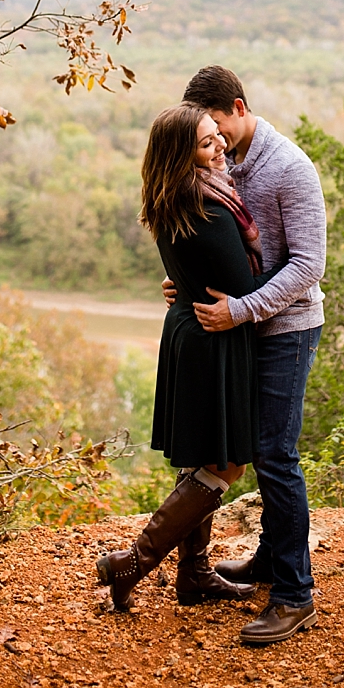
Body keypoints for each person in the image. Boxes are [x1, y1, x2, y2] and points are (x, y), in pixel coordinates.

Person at [165, 65, 326, 645]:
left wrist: (242, 308)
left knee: (275, 455)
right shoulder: (220, 162)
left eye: (217, 129)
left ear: (237, 106)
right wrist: (186, 285)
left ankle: (294, 595)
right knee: (245, 449)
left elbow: (309, 266)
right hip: (239, 331)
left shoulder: (290, 168)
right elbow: (217, 245)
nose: (213, 144)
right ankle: (265, 561)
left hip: (287, 329)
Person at [96, 102, 278, 612]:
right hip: (213, 338)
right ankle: (132, 561)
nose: (219, 144)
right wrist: (291, 280)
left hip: (188, 330)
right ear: (183, 155)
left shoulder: (171, 198)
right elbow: (243, 288)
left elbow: (194, 270)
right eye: (205, 142)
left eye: (216, 135)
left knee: (204, 456)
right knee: (228, 463)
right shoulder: (210, 207)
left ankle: (194, 575)